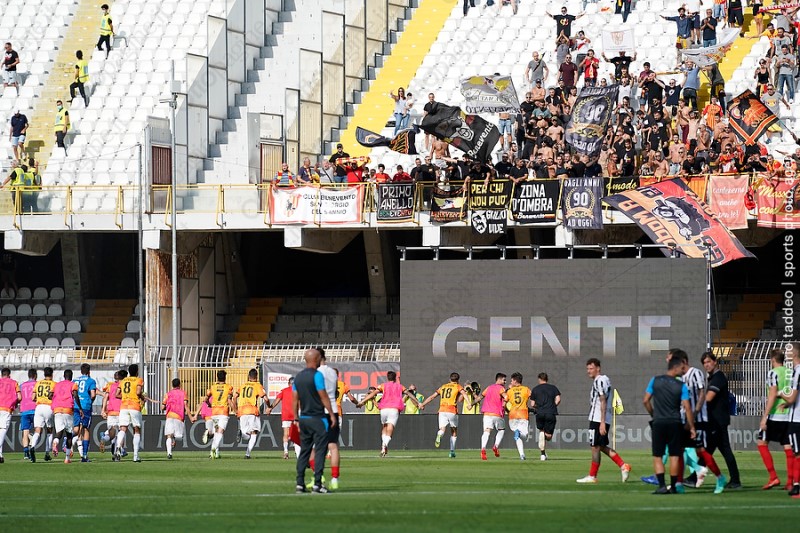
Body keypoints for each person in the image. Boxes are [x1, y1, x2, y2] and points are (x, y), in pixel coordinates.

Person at [643, 355, 695, 494]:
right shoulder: (681, 385)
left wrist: (653, 414)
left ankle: (661, 486)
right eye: (682, 368)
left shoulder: (655, 380)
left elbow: (646, 400)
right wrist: (691, 426)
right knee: (674, 456)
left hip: (659, 422)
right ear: (675, 367)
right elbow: (687, 407)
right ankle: (673, 486)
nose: (683, 371)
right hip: (675, 423)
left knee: (657, 455)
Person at [577, 359, 632, 483]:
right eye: (587, 369)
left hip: (597, 419)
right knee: (601, 446)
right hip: (602, 418)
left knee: (595, 447)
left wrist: (601, 422)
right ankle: (623, 466)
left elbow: (603, 400)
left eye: (591, 368)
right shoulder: (604, 380)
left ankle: (592, 476)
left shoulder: (599, 381)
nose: (588, 371)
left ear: (598, 368)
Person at [293, 348, 337, 493]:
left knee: (304, 451)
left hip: (304, 419)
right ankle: (318, 484)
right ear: (316, 359)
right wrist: (331, 414)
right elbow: (323, 395)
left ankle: (300, 483)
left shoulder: (298, 377)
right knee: (320, 451)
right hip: (318, 418)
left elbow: (295, 399)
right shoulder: (317, 375)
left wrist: (296, 418)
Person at [699, 351, 741, 490]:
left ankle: (736, 481)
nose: (706, 365)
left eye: (708, 361)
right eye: (704, 363)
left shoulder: (718, 377)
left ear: (715, 362)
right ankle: (694, 477)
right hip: (714, 421)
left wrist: (695, 405)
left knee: (723, 450)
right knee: (707, 450)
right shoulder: (713, 378)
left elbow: (709, 398)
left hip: (718, 421)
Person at [358, 370, 419, 457]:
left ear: (387, 377)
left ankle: (383, 446)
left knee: (384, 426)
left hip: (384, 409)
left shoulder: (383, 385)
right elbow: (409, 394)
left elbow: (373, 394)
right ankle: (385, 444)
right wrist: (418, 402)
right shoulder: (400, 386)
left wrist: (362, 401)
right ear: (395, 378)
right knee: (390, 427)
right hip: (394, 409)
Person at [758, 349, 794, 490]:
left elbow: (772, 395)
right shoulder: (790, 372)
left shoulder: (773, 373)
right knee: (788, 447)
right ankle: (790, 482)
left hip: (775, 414)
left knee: (761, 443)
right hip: (789, 415)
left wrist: (764, 417)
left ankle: (773, 477)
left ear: (772, 360)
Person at [420, 372, 468, 458]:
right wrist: (469, 403)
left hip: (442, 410)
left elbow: (432, 397)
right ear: (458, 380)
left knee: (442, 429)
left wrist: (423, 404)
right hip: (452, 410)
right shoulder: (458, 386)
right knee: (454, 431)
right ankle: (452, 452)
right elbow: (464, 395)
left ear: (450, 379)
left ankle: (439, 434)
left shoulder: (443, 386)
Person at [317, 349, 342, 490]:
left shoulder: (316, 373)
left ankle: (319, 477)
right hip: (333, 410)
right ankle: (335, 478)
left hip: (320, 411)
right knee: (333, 446)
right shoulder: (333, 372)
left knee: (316, 446)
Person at [779, 342, 800, 498]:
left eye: (789, 350)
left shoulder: (797, 371)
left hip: (796, 419)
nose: (786, 353)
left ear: (795, 353)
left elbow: (792, 398)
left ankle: (796, 485)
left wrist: (781, 394)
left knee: (797, 453)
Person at [469, 373, 507, 461]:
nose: (505, 382)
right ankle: (496, 446)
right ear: (499, 379)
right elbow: (506, 397)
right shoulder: (501, 388)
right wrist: (505, 403)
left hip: (487, 414)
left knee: (486, 431)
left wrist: (471, 404)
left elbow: (480, 397)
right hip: (497, 413)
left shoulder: (489, 388)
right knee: (501, 430)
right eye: (504, 380)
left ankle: (483, 449)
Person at [114, 363, 144, 463]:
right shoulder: (139, 380)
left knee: (122, 428)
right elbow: (138, 392)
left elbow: (117, 394)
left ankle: (118, 448)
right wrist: (142, 397)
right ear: (137, 372)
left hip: (124, 406)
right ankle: (135, 456)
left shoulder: (123, 381)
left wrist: (125, 396)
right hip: (134, 406)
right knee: (136, 430)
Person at [268, 377, 301, 459]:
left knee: (286, 433)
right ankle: (298, 453)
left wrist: (270, 408)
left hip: (286, 415)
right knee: (296, 434)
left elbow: (277, 400)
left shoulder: (284, 391)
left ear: (288, 383)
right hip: (295, 415)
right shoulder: (299, 391)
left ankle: (286, 452)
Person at [28, 367, 56, 463]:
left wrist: (40, 399)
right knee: (49, 430)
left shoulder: (38, 383)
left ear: (44, 374)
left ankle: (32, 446)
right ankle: (47, 453)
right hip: (48, 407)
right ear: (52, 374)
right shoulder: (54, 384)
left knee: (37, 430)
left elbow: (33, 397)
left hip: (39, 407)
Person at [531, 372, 561, 461]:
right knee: (548, 436)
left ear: (539, 379)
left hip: (540, 413)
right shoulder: (553, 388)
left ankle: (542, 453)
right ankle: (543, 454)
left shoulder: (535, 389)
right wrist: (552, 405)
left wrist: (538, 407)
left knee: (542, 431)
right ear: (547, 379)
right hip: (550, 413)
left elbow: (532, 404)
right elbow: (558, 399)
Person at [205, 369, 234, 460]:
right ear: (225, 378)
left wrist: (209, 404)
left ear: (217, 377)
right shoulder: (228, 387)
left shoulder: (213, 387)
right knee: (220, 432)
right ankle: (213, 450)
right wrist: (235, 410)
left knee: (216, 432)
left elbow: (206, 399)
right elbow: (229, 400)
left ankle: (216, 453)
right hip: (223, 412)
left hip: (214, 412)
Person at [71, 363, 96, 462]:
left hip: (76, 405)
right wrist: (90, 401)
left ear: (81, 371)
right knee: (86, 430)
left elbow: (72, 393)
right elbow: (93, 395)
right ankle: (84, 455)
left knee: (76, 428)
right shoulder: (91, 381)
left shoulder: (75, 380)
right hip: (85, 406)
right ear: (89, 371)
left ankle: (67, 438)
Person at [162, 378, 191, 460]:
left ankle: (169, 452)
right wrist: (191, 416)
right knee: (179, 437)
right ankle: (170, 451)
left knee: (169, 435)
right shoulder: (183, 393)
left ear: (172, 385)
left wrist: (166, 406)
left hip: (169, 416)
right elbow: (185, 405)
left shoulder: (168, 394)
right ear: (179, 385)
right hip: (178, 416)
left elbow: (162, 407)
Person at [506, 372, 532, 461]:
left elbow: (504, 403)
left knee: (517, 437)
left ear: (515, 381)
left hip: (512, 415)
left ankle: (522, 454)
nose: (511, 382)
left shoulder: (509, 391)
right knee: (525, 435)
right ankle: (519, 433)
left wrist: (507, 411)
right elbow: (533, 398)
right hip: (523, 414)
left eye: (511, 380)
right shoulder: (526, 389)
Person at [51, 369, 75, 463]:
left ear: (64, 376)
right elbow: (75, 395)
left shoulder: (56, 385)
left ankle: (55, 442)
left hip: (57, 409)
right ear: (71, 376)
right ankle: (67, 458)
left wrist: (56, 399)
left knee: (59, 432)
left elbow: (50, 395)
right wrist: (80, 408)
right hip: (67, 409)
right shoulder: (73, 384)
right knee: (69, 435)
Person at [100, 369, 124, 457]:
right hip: (121, 411)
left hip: (111, 411)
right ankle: (119, 453)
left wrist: (103, 410)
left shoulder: (110, 386)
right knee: (121, 432)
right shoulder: (123, 385)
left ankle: (105, 439)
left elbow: (105, 397)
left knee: (112, 433)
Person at [0, 367, 20, 463]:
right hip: (6, 408)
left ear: (1, 374)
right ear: (9, 375)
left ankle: (0, 455)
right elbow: (19, 397)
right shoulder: (14, 383)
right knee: (3, 429)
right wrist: (15, 403)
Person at [19, 368, 36, 460]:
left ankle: (26, 452)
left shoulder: (22, 385)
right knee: (38, 430)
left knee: (25, 432)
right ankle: (32, 445)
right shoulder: (37, 384)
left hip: (25, 410)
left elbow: (19, 397)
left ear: (28, 375)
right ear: (35, 375)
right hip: (35, 410)